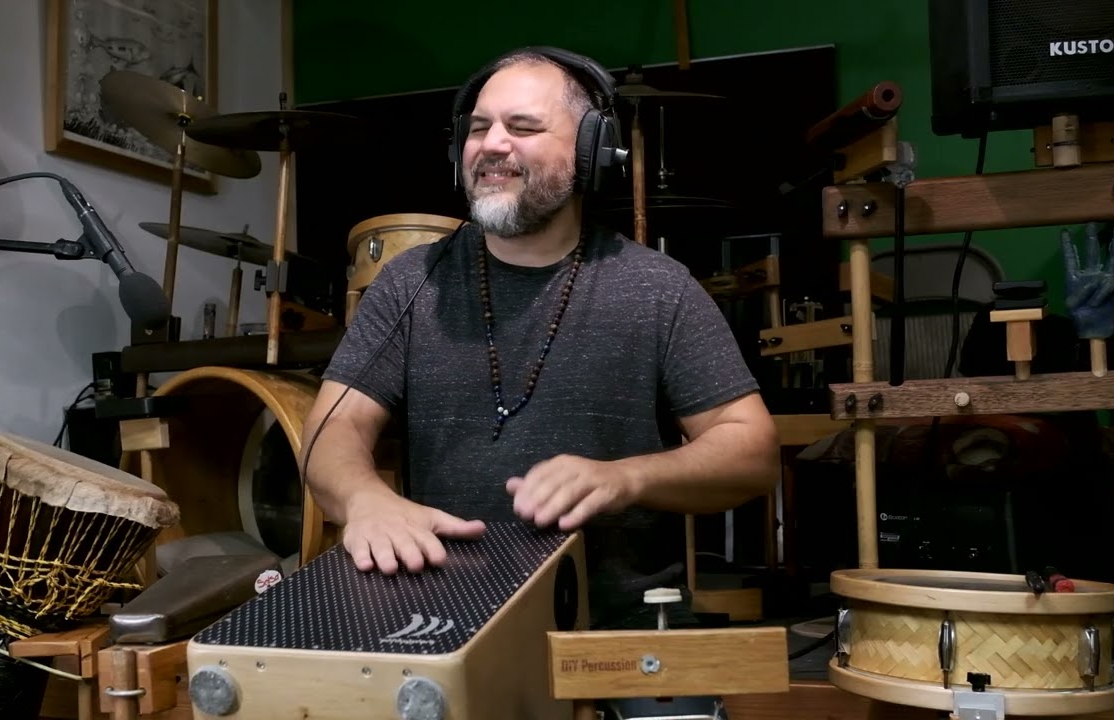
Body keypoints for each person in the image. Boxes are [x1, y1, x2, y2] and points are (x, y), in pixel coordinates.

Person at [300, 46, 779, 631]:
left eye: (522, 127)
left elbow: (750, 451)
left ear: (590, 152)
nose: (492, 144)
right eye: (479, 128)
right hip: (444, 622)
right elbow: (334, 428)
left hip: (615, 629)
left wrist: (627, 477)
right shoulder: (411, 282)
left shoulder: (657, 288)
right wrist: (363, 499)